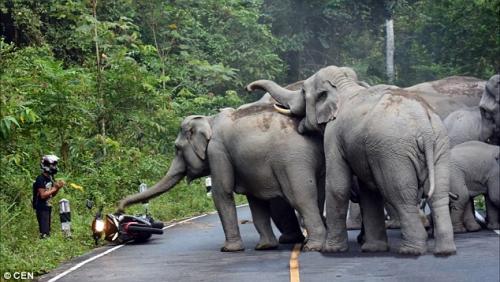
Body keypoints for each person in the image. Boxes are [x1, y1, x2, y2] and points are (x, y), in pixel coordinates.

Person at [32, 155, 65, 238]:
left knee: (47, 230)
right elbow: (43, 195)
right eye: (52, 165)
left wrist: (57, 188)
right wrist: (55, 187)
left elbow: (52, 194)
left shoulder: (50, 178)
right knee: (44, 232)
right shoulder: (40, 179)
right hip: (41, 207)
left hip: (48, 206)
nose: (54, 167)